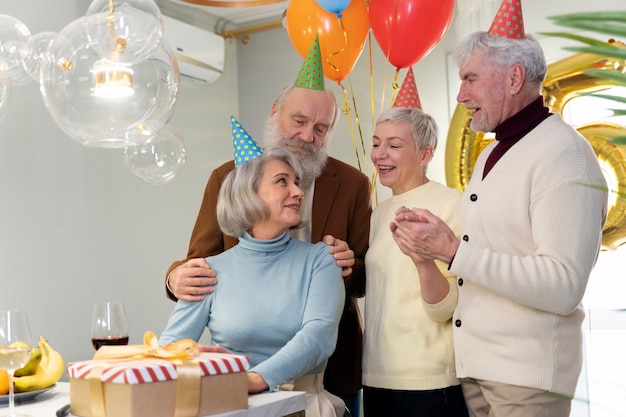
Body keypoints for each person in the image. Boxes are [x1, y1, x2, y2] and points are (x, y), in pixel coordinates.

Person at [389, 2, 608, 416]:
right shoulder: (496, 153)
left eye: (471, 79)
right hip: (481, 372)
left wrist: (454, 252)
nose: (461, 94)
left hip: (527, 380)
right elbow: (494, 248)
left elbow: (562, 285)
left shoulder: (562, 154)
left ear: (513, 78)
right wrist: (434, 246)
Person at [164, 37, 371, 417]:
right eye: (300, 121)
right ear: (276, 112)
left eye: (321, 128)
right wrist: (175, 279)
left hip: (327, 371)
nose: (309, 136)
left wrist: (348, 265)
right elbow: (199, 267)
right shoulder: (226, 177)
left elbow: (363, 278)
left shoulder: (353, 185)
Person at [160, 144, 347, 417]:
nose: (298, 191)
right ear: (248, 195)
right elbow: (170, 347)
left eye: (297, 183)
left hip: (306, 406)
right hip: (232, 406)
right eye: (282, 181)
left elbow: (318, 337)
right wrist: (192, 357)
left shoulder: (321, 260)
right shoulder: (211, 270)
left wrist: (255, 379)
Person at [362, 69, 468, 417]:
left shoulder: (451, 204)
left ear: (425, 155)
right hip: (376, 378)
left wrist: (423, 262)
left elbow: (448, 308)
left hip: (428, 382)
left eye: (394, 145)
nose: (380, 155)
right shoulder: (378, 214)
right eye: (377, 143)